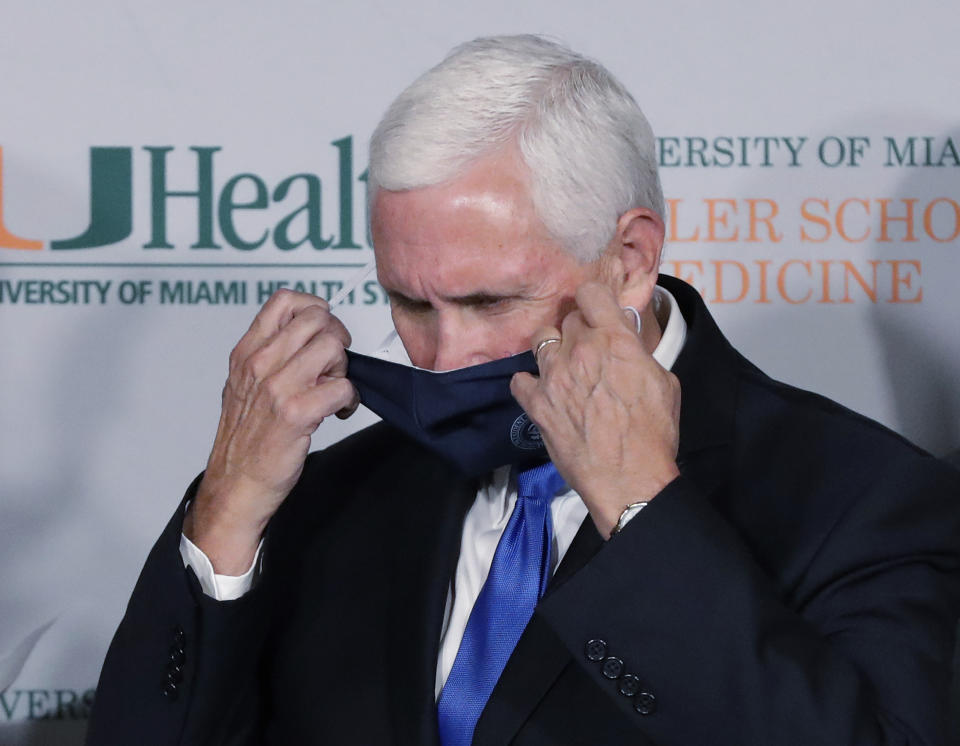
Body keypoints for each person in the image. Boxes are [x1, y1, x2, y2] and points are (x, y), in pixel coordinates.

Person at [87, 35, 960, 746]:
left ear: (628, 261)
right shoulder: (330, 494)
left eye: (487, 301)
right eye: (406, 301)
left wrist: (645, 513)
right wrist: (231, 510)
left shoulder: (865, 498)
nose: (440, 357)